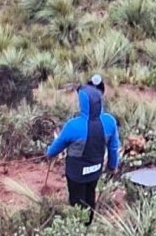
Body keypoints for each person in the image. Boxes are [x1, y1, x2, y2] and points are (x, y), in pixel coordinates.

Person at [46, 85, 120, 225]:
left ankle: (77, 228)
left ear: (83, 103)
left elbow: (57, 146)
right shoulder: (109, 121)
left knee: (76, 200)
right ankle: (89, 225)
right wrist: (112, 165)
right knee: (90, 194)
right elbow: (114, 147)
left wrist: (49, 153)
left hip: (76, 173)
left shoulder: (73, 126)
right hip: (95, 170)